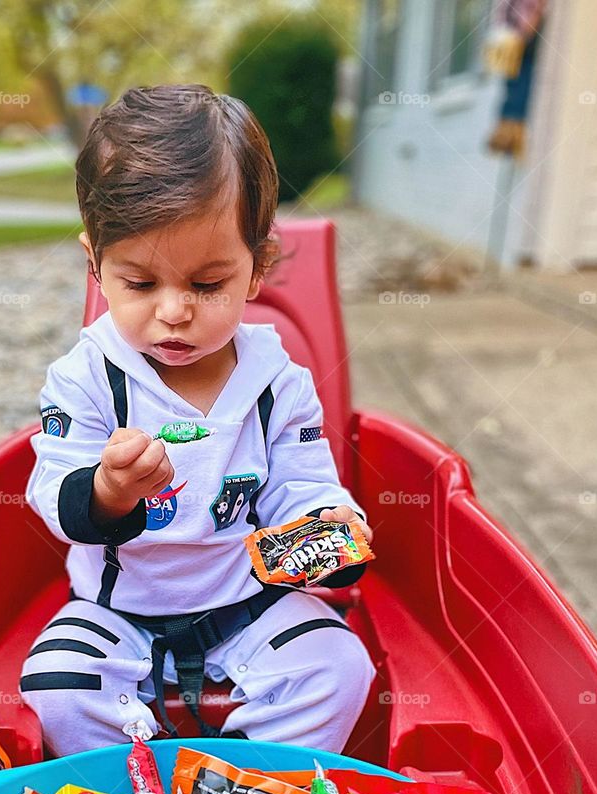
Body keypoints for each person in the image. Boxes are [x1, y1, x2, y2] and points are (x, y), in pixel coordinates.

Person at [21, 84, 376, 756]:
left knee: (341, 668)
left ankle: (246, 790)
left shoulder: (277, 383)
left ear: (258, 267)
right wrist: (109, 491)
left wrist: (331, 535)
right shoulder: (87, 375)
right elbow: (53, 490)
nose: (175, 311)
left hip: (246, 601)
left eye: (206, 284)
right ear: (95, 263)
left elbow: (303, 485)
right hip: (117, 606)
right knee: (56, 682)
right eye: (141, 283)